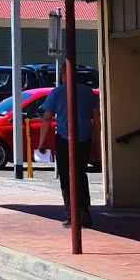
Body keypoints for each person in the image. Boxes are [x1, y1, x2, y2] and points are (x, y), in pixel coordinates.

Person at [45, 68, 100, 226]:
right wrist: (96, 142)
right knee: (81, 174)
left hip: (64, 138)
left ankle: (71, 214)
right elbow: (97, 120)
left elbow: (47, 118)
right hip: (84, 138)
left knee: (65, 176)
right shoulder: (89, 92)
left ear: (63, 75)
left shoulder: (56, 93)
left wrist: (42, 143)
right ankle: (84, 210)